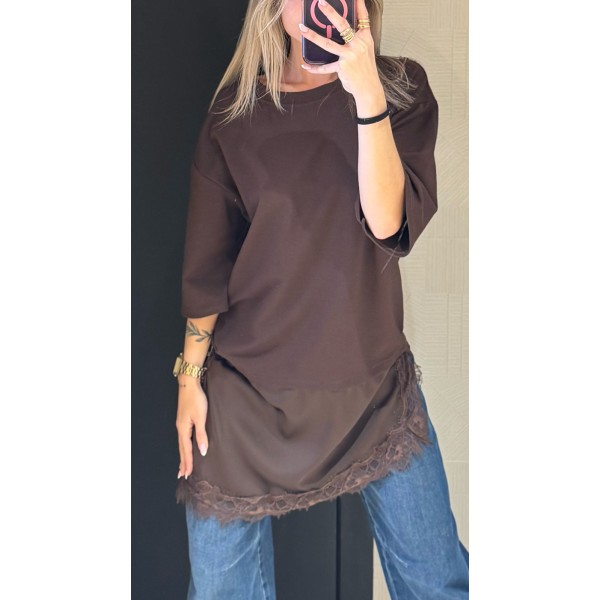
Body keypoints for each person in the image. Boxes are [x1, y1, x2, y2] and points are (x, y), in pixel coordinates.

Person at [173, 0, 469, 597]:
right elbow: (208, 264)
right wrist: (189, 378)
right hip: (245, 399)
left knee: (437, 585)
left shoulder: (401, 90)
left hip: (374, 392)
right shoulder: (235, 114)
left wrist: (367, 96)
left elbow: (390, 225)